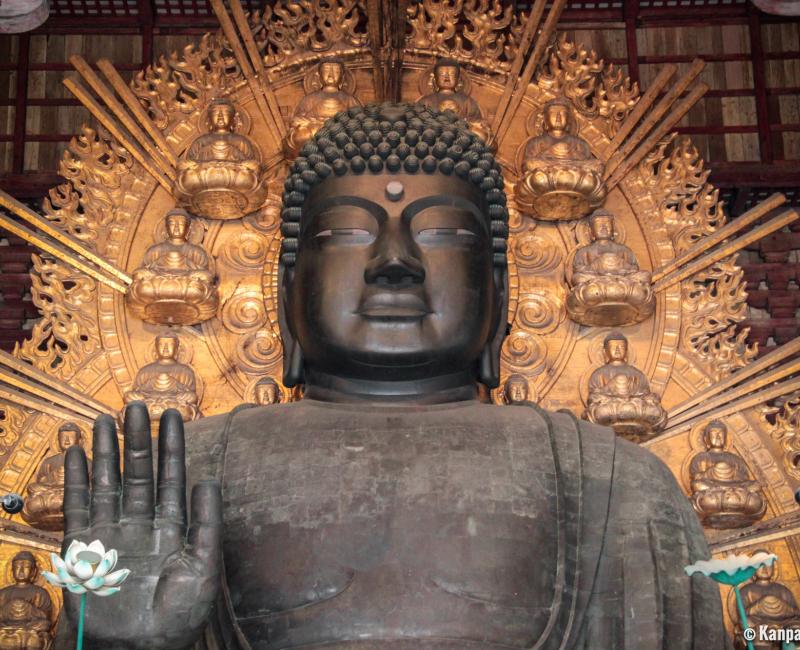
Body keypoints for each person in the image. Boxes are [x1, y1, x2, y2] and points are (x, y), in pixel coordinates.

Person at [56, 103, 725, 649]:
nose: (395, 262)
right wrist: (112, 641)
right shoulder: (182, 481)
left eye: (443, 236)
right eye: (348, 233)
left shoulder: (619, 487)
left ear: (499, 289)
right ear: (289, 289)